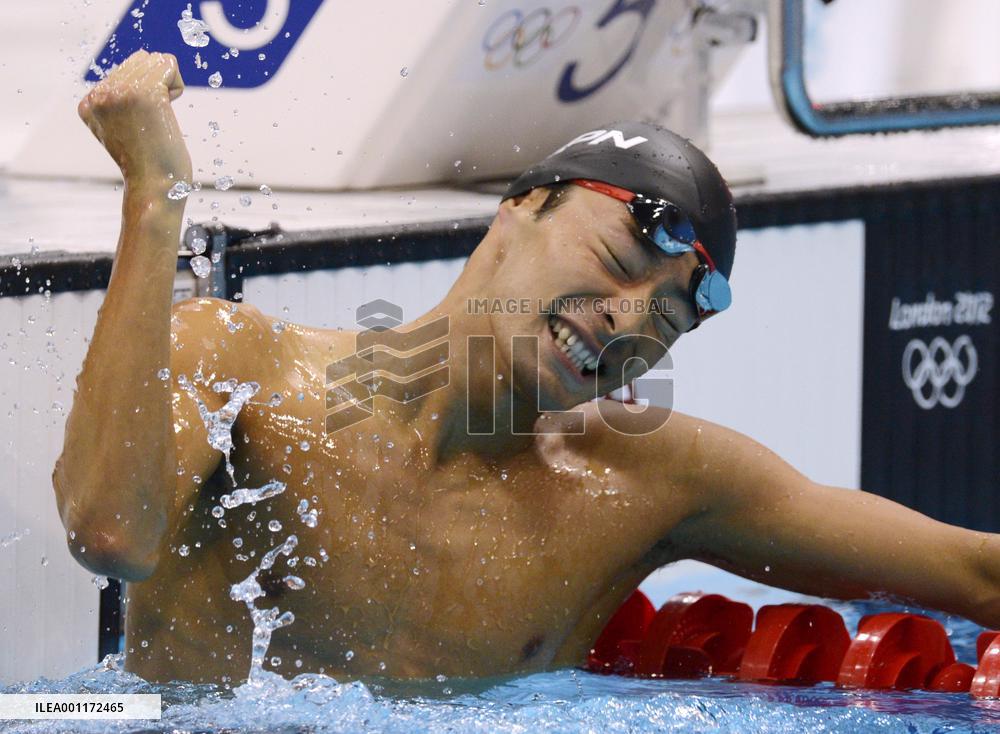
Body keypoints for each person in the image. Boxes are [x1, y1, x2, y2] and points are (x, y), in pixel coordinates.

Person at [54, 50, 1000, 685]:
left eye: (668, 319)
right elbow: (107, 532)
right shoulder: (248, 367)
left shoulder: (646, 484)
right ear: (521, 206)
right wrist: (155, 199)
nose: (629, 323)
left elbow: (975, 574)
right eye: (622, 267)